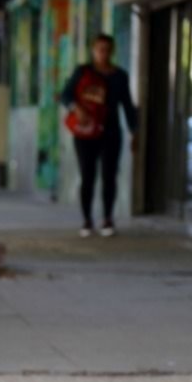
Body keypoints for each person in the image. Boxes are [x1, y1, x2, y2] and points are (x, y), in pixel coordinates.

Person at [61, 33, 138, 238]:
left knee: (109, 175)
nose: (103, 53)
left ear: (112, 51)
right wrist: (76, 108)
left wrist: (134, 131)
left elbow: (128, 106)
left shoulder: (120, 76)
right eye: (100, 49)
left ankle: (107, 218)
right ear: (93, 50)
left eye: (107, 50)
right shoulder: (82, 72)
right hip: (86, 132)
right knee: (88, 175)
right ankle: (87, 220)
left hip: (111, 131)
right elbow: (66, 95)